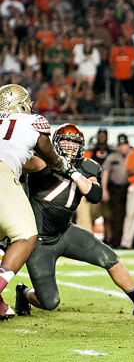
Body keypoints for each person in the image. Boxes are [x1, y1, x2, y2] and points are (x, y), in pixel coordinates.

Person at [14, 124, 134, 317]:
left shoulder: (89, 166)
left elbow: (95, 195)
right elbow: (15, 164)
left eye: (73, 143)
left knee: (110, 258)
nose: (69, 147)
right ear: (54, 145)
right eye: (64, 142)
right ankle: (24, 292)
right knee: (49, 302)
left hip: (65, 232)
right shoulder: (41, 163)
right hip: (39, 241)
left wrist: (72, 172)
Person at [0, 84, 71, 320]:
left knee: (2, 238)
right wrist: (61, 165)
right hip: (2, 175)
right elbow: (48, 155)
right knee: (26, 236)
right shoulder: (32, 122)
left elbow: (27, 162)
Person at [101, 134, 130, 247]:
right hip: (115, 189)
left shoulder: (133, 156)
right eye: (121, 145)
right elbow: (105, 173)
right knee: (116, 216)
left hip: (129, 188)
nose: (123, 147)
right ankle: (116, 241)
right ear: (118, 146)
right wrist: (104, 189)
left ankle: (128, 241)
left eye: (125, 145)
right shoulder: (112, 157)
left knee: (128, 215)